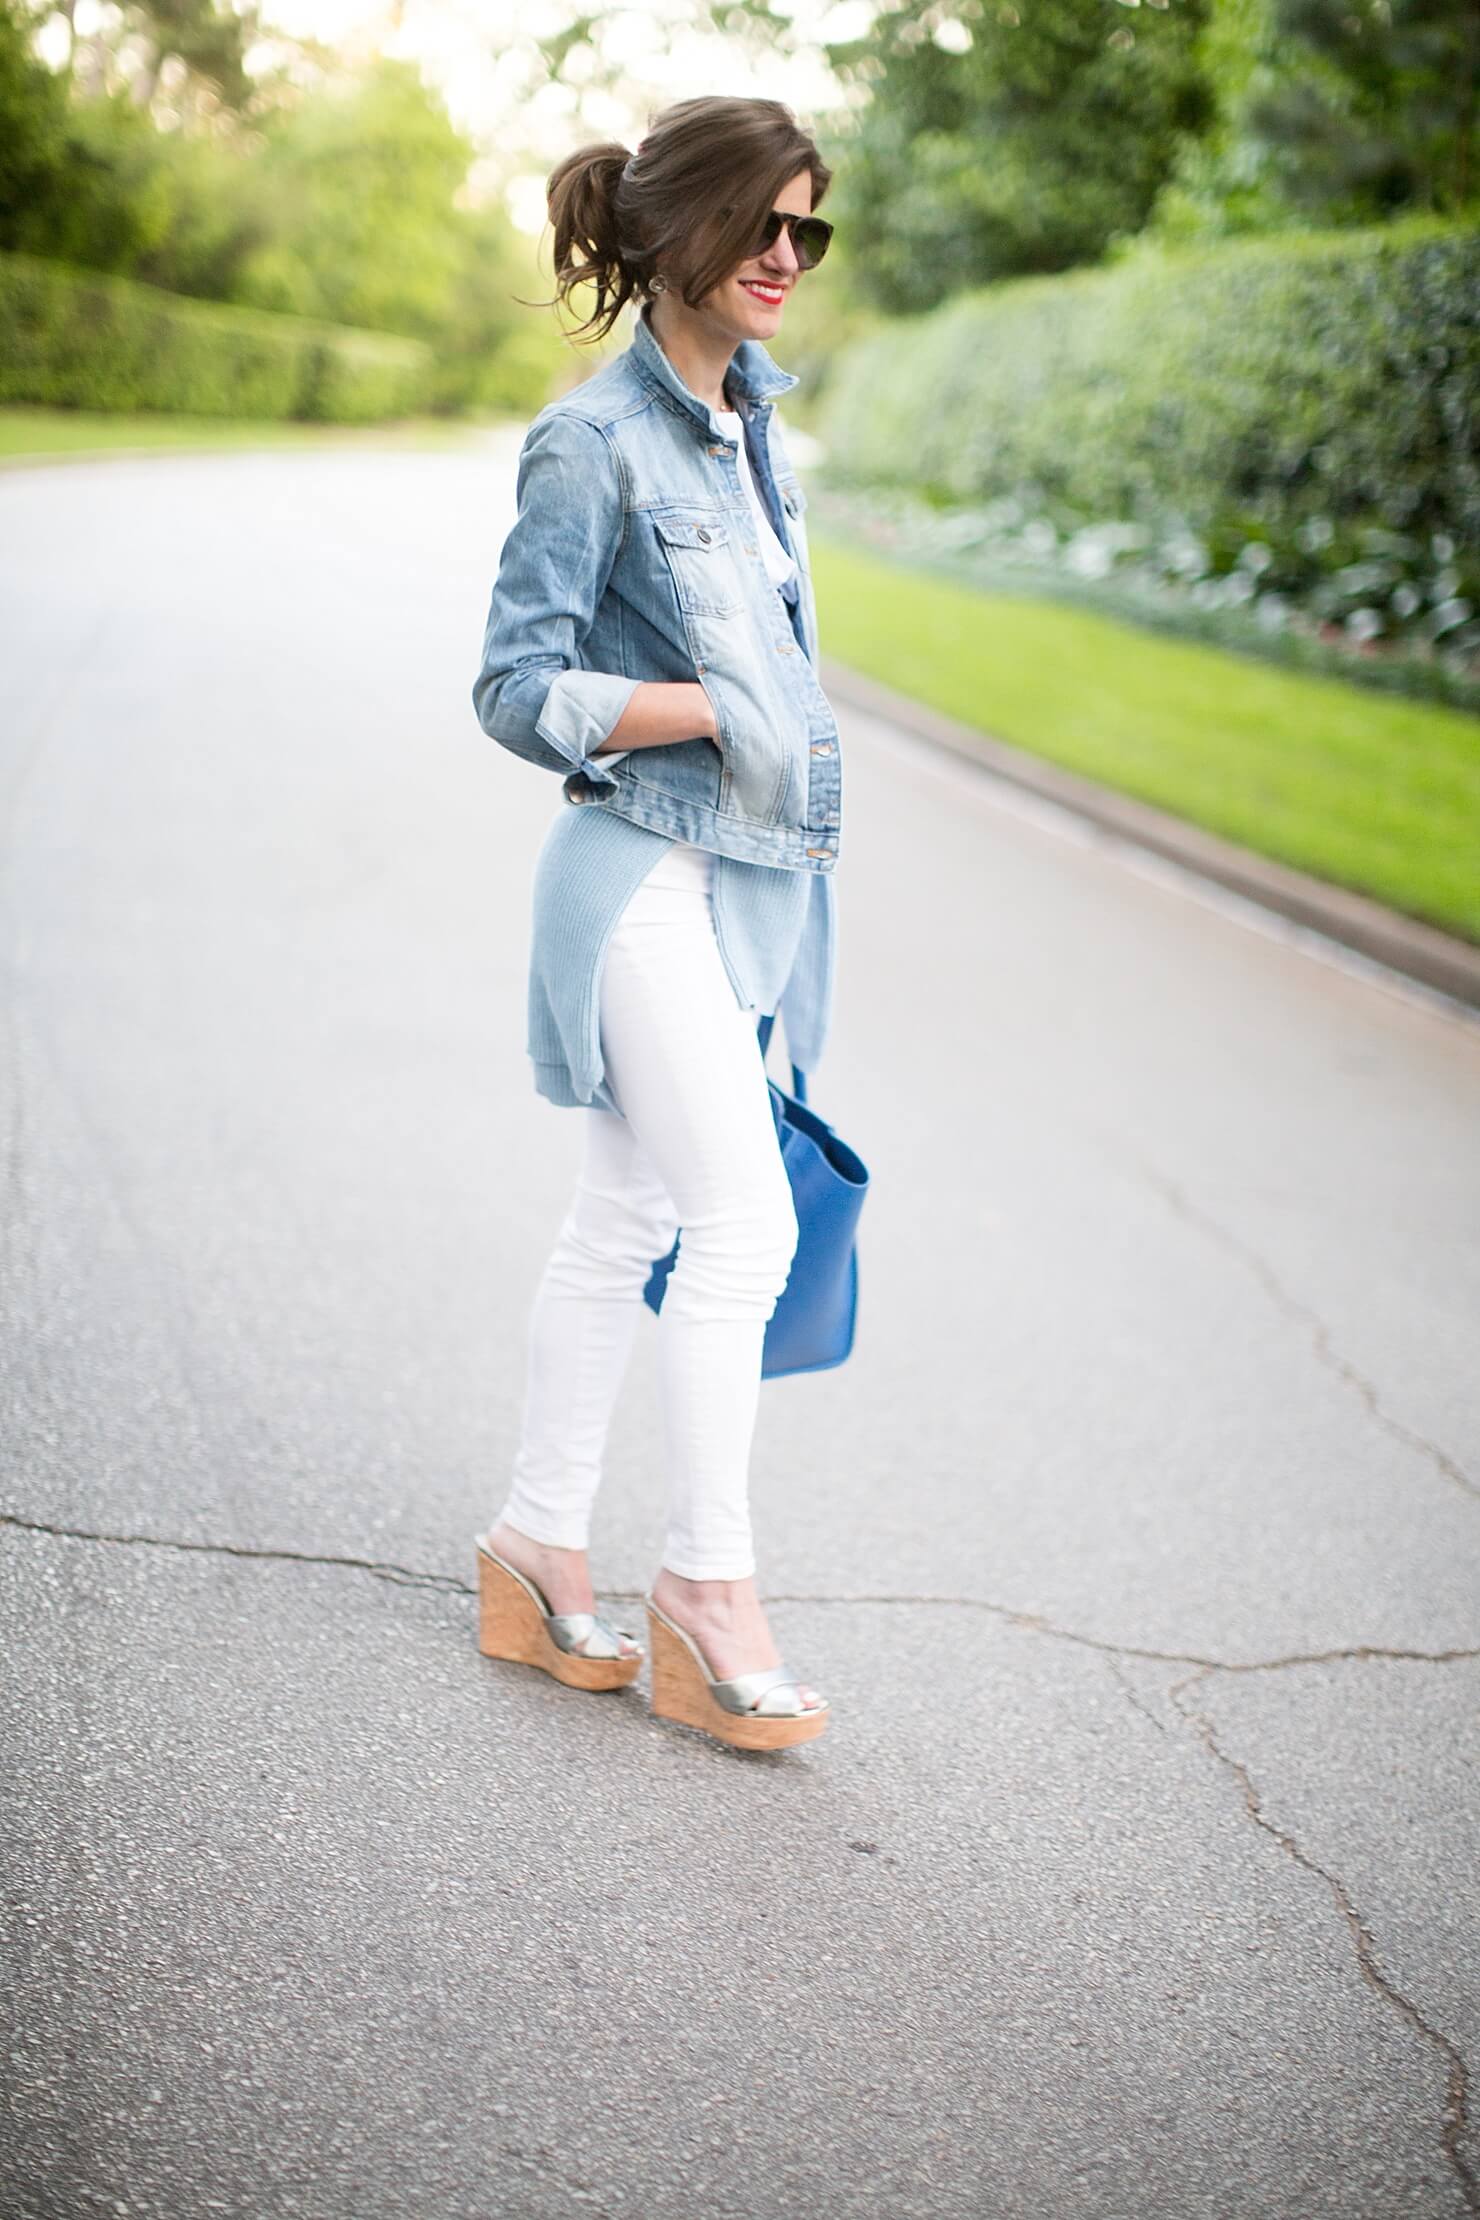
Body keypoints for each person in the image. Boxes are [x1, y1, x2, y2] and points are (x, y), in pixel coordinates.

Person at [469, 95, 843, 1752]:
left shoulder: (756, 423)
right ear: (673, 233)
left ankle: (534, 1547)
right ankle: (708, 1593)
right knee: (741, 1229)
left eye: (807, 230)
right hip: (638, 880)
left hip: (749, 890)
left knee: (626, 1219)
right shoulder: (592, 439)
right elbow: (511, 687)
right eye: (761, 225)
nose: (785, 258)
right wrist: (698, 706)